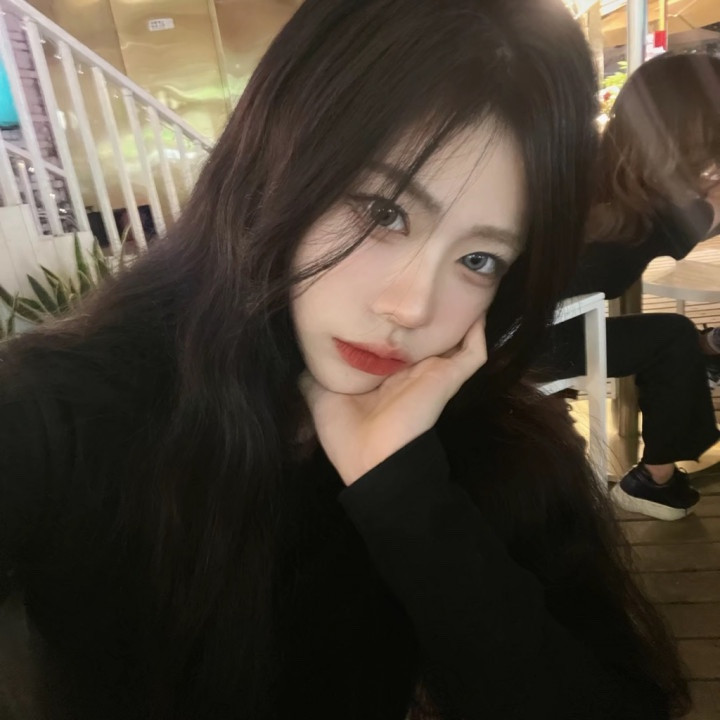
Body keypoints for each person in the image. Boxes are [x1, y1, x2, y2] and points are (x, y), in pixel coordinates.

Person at [0, 1, 689, 718]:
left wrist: (403, 489)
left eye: (479, 259)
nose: (412, 307)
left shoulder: (489, 446)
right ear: (274, 164)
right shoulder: (61, 411)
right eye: (383, 212)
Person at [541, 52, 720, 522]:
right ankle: (653, 481)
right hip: (524, 345)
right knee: (671, 341)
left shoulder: (598, 168)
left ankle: (656, 475)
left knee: (672, 337)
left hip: (517, 329)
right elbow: (705, 218)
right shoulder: (646, 207)